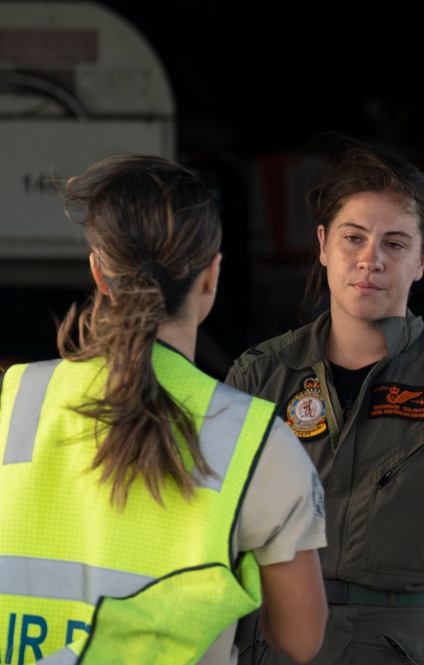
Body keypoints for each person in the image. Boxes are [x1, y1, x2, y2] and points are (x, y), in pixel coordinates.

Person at [0, 154, 327, 665]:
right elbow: (300, 639)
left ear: (99, 274)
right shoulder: (256, 440)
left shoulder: (13, 400)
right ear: (211, 277)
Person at [225, 133, 424, 665]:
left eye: (395, 244)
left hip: (414, 642)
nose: (370, 260)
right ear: (324, 244)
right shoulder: (261, 375)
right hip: (279, 641)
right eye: (354, 238)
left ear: (422, 260)